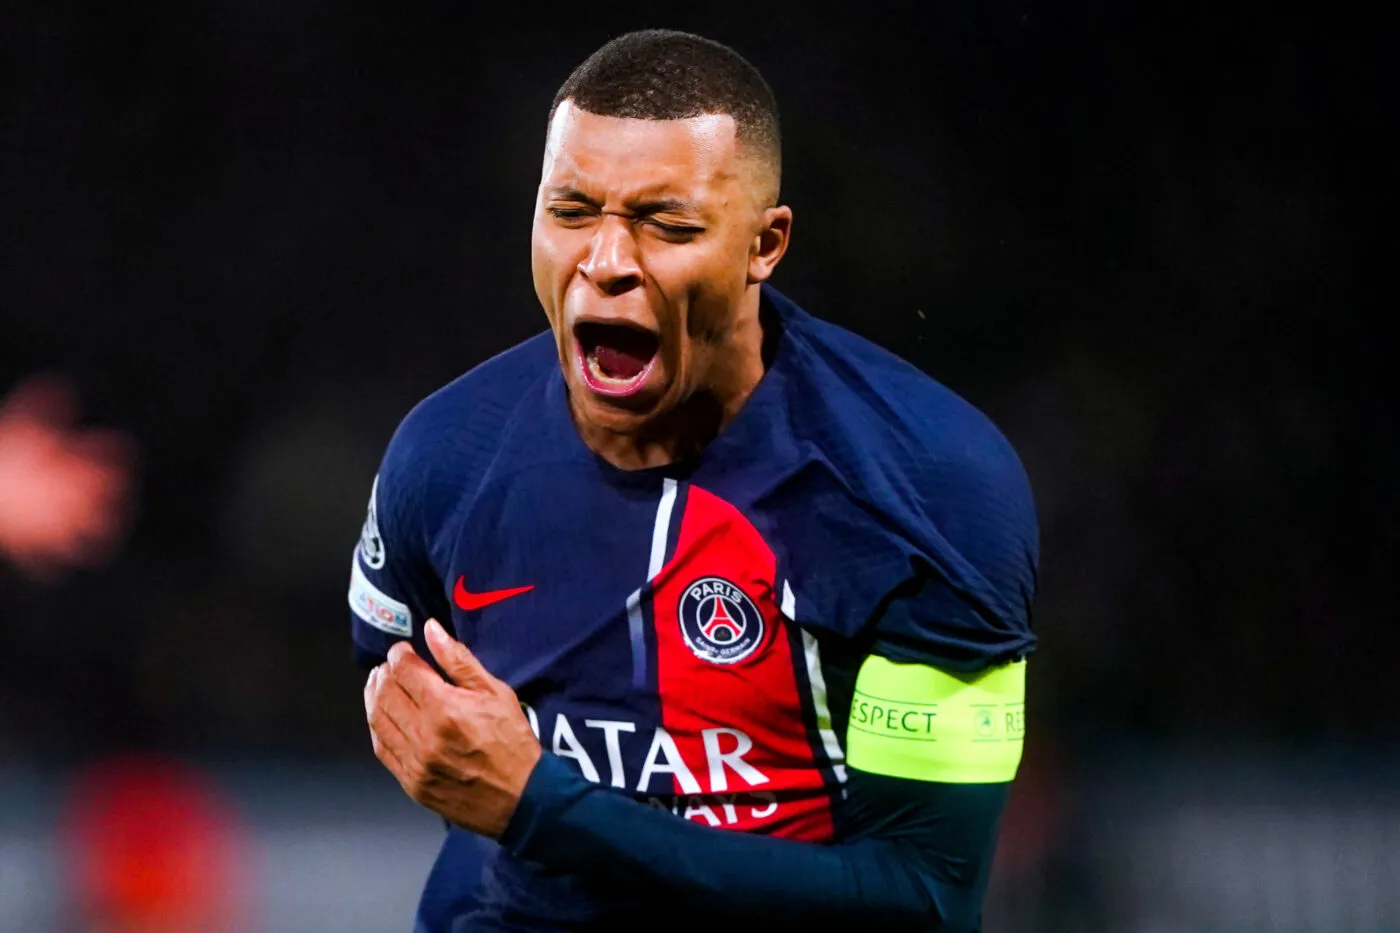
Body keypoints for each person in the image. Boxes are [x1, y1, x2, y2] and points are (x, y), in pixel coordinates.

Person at [354, 29, 1037, 932]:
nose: (606, 262)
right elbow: (427, 732)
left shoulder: (930, 489)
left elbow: (922, 900)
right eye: (570, 211)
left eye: (666, 224)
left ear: (766, 243)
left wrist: (545, 810)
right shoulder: (444, 459)